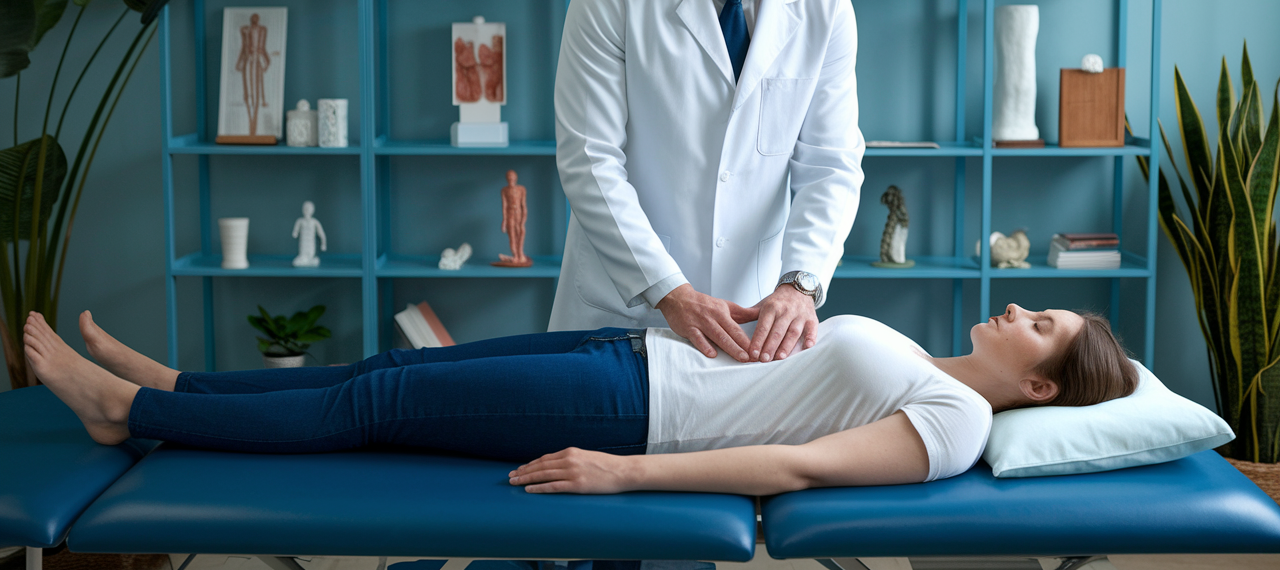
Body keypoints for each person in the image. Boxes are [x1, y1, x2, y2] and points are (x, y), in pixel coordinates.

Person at [23, 303, 1138, 495]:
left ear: (1038, 384)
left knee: (364, 409)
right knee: (380, 371)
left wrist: (625, 472)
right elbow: (796, 383)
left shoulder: (948, 426)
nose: (1015, 307)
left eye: (1038, 324)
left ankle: (130, 414)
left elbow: (793, 464)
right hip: (633, 353)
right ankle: (174, 381)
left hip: (630, 417)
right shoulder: (927, 362)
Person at [553, 0, 864, 370]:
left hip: (751, 323)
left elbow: (832, 164)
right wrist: (668, 290)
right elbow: (590, 160)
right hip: (626, 315)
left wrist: (799, 285)